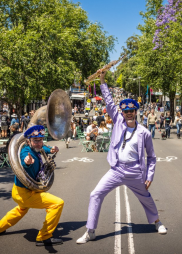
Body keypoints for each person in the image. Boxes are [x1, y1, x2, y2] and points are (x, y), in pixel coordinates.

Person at [76, 69, 166, 245]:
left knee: (146, 198)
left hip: (135, 171)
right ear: (122, 113)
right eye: (126, 111)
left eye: (132, 110)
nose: (129, 113)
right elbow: (109, 102)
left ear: (136, 112)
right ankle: (90, 231)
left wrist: (149, 176)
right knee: (95, 194)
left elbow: (152, 158)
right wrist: (102, 80)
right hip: (116, 169)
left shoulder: (144, 133)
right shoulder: (117, 122)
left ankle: (157, 222)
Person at [0, 125, 63, 246]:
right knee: (57, 203)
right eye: (35, 140)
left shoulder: (37, 147)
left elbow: (43, 147)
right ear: (28, 141)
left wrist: (51, 150)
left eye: (40, 140)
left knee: (20, 210)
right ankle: (43, 237)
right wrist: (27, 163)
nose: (39, 143)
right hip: (25, 193)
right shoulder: (26, 152)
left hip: (19, 191)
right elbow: (24, 160)